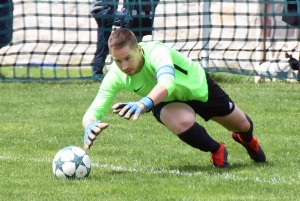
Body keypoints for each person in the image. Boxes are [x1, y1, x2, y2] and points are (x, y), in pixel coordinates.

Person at [82, 28, 266, 168]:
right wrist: (89, 124)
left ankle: (247, 140)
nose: (124, 65)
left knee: (242, 125)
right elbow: (95, 109)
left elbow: (167, 83)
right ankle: (217, 149)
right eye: (117, 61)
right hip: (166, 101)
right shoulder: (115, 75)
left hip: (198, 88)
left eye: (127, 58)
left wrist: (143, 103)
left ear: (138, 49)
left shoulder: (156, 51)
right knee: (181, 122)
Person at [90, 0, 159, 80]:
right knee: (126, 19)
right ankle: (121, 44)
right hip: (102, 10)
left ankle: (97, 73)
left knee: (103, 44)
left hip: (107, 10)